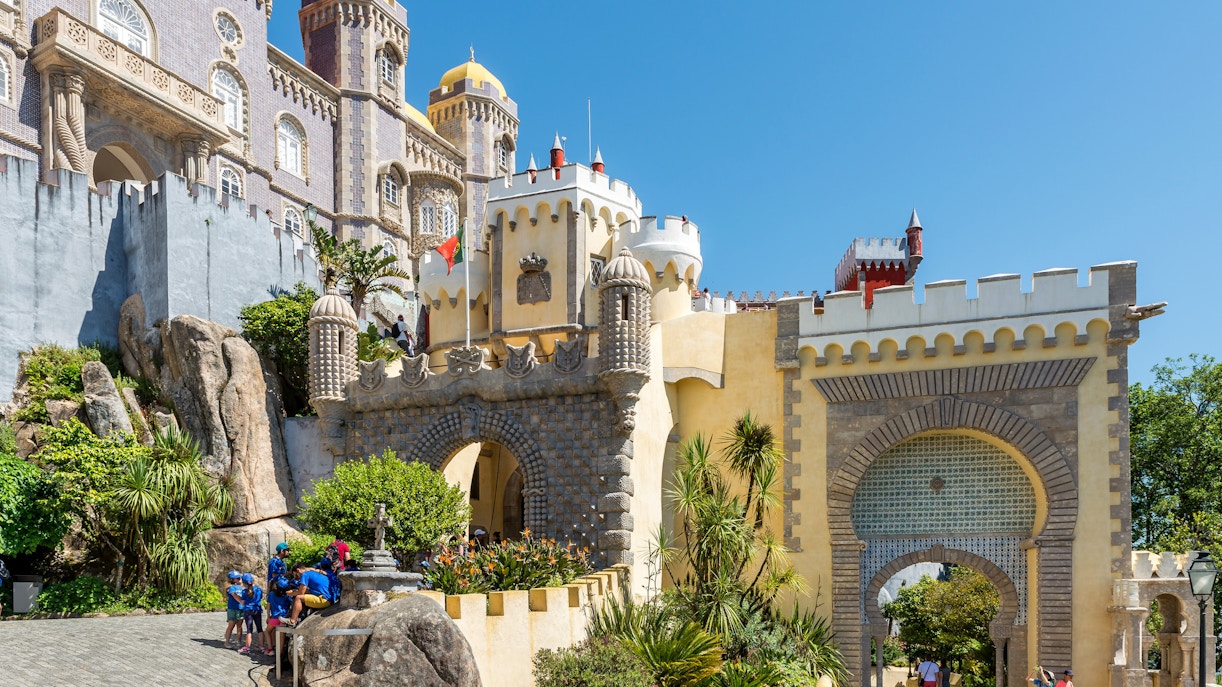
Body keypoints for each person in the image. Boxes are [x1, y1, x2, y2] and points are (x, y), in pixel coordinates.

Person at [265, 575, 292, 658]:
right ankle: (279, 654)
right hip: (283, 618)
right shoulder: (287, 595)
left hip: (274, 617)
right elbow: (291, 605)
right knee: (281, 638)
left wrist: (268, 616)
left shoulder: (271, 594)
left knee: (267, 631)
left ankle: (270, 649)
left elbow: (268, 606)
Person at [239, 573, 265, 655]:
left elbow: (242, 602)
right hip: (257, 609)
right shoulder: (258, 590)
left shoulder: (244, 592)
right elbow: (260, 598)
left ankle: (247, 647)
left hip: (248, 610)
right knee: (259, 628)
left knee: (249, 629)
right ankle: (261, 646)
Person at [223, 570, 245, 648]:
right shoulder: (231, 588)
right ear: (232, 579)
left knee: (239, 626)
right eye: (237, 578)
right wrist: (241, 602)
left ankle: (239, 641)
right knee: (231, 625)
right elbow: (235, 596)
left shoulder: (242, 587)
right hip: (232, 609)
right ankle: (227, 642)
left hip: (241, 609)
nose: (239, 579)